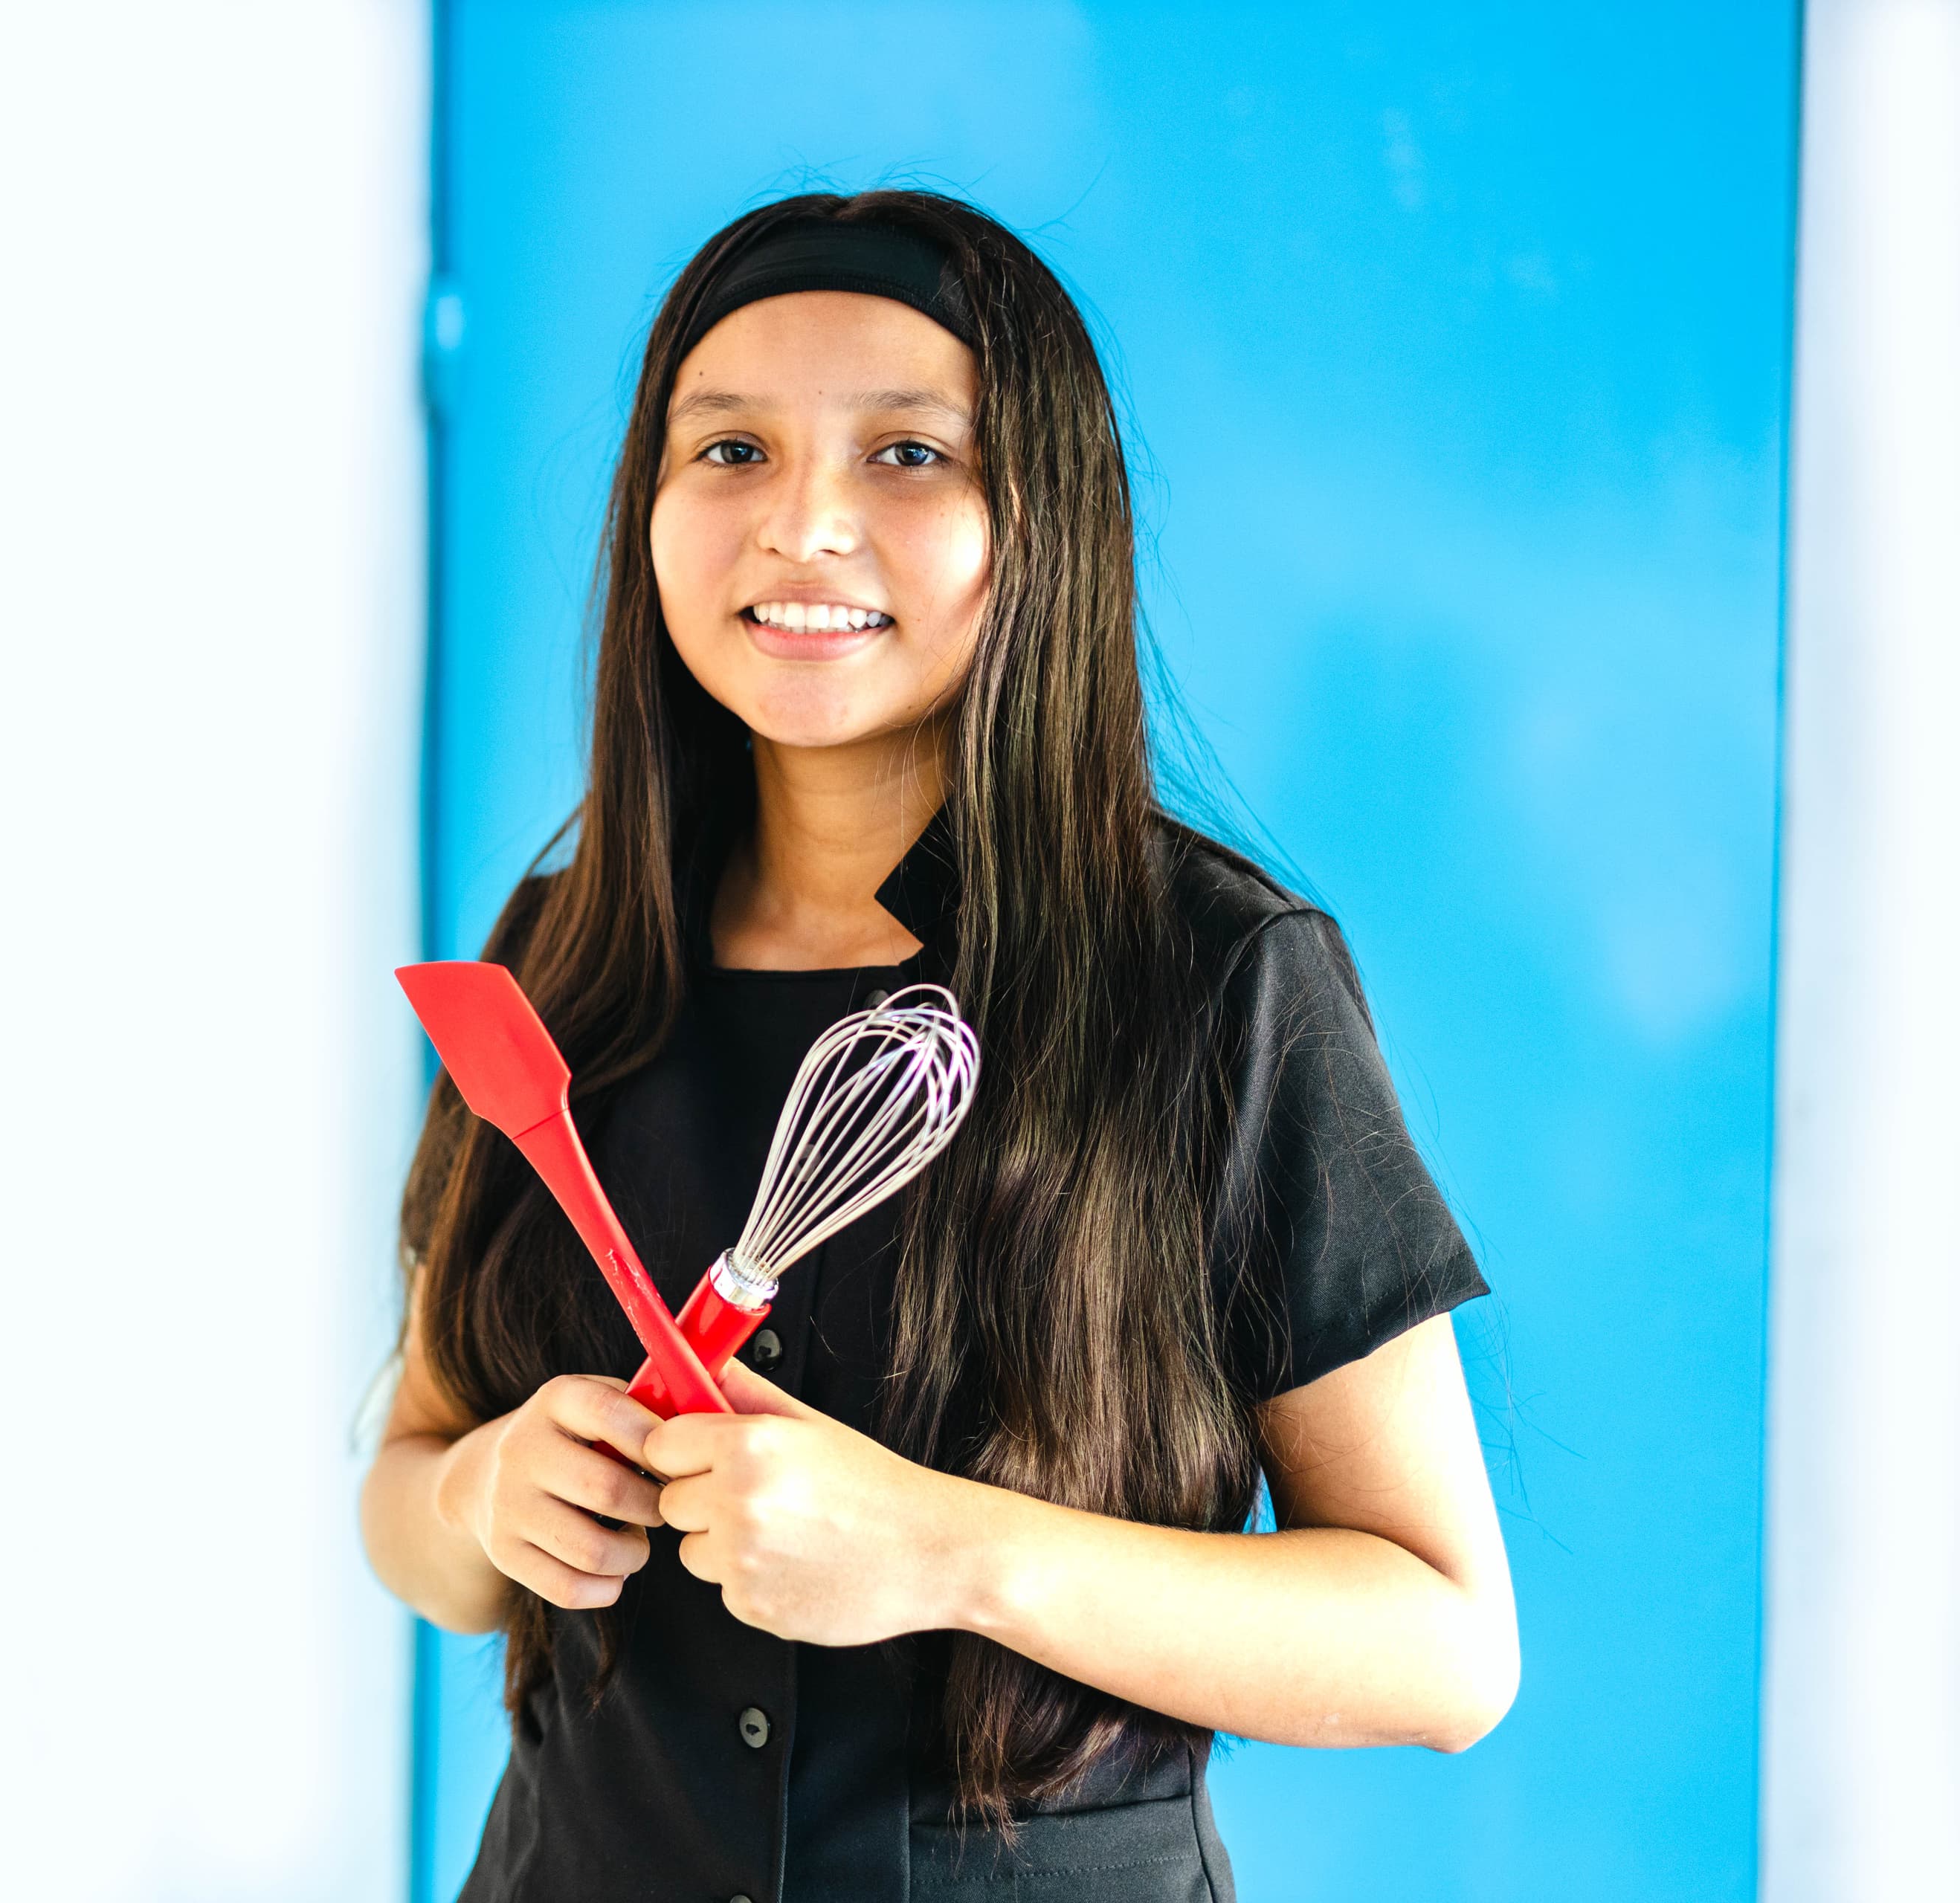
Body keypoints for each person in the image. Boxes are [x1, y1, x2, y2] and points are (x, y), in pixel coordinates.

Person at [360, 190, 1517, 1903]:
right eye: (730, 449)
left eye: (907, 455)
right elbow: (415, 1497)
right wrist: (482, 1499)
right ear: (649, 510)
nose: (805, 524)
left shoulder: (1216, 979)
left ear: (1037, 521)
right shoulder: (567, 961)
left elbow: (1442, 1643)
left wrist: (946, 1551)